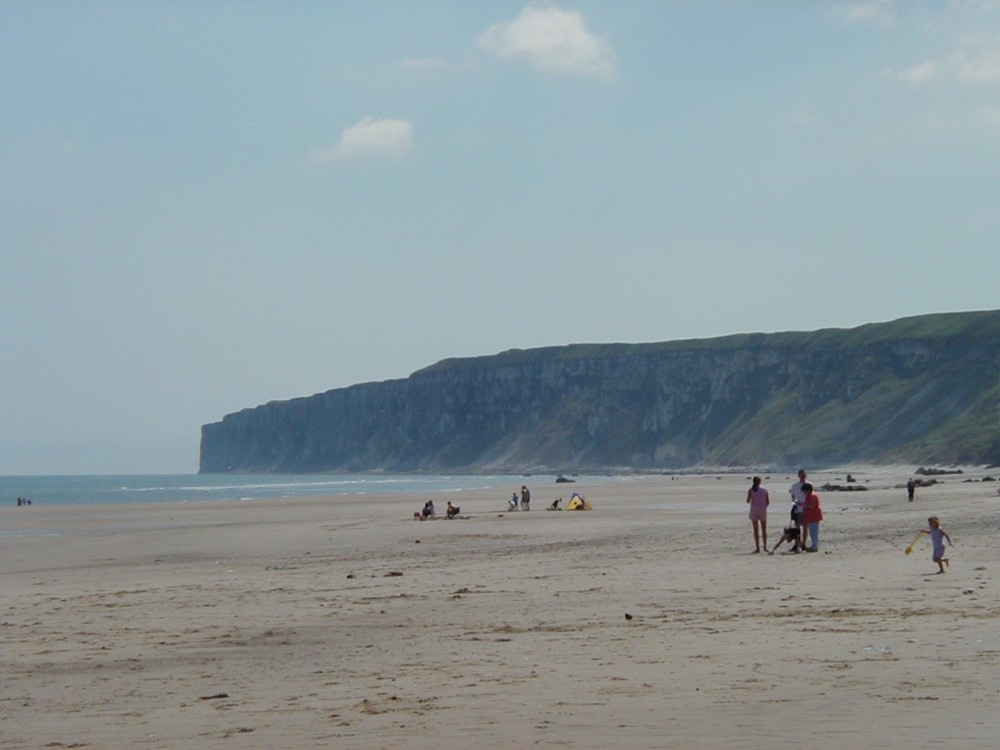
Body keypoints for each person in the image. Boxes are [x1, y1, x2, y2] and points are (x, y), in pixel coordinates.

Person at [746, 476, 769, 553]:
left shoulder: (751, 490)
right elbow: (768, 502)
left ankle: (757, 548)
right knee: (764, 529)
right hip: (762, 509)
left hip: (754, 510)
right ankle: (765, 547)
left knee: (756, 530)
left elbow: (748, 501)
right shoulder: (765, 490)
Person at [789, 469, 808, 548]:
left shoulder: (809, 484)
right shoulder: (795, 486)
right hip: (798, 509)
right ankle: (797, 544)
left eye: (804, 475)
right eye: (801, 475)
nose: (802, 477)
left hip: (806, 509)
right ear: (798, 476)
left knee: (805, 527)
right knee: (797, 528)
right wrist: (795, 502)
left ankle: (803, 544)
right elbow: (792, 495)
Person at [801, 482, 823, 551]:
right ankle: (814, 546)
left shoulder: (812, 495)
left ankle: (815, 547)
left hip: (814, 516)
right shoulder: (808, 495)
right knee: (812, 531)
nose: (803, 492)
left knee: (814, 532)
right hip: (810, 516)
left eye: (804, 491)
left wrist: (803, 505)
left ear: (808, 490)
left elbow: (811, 506)